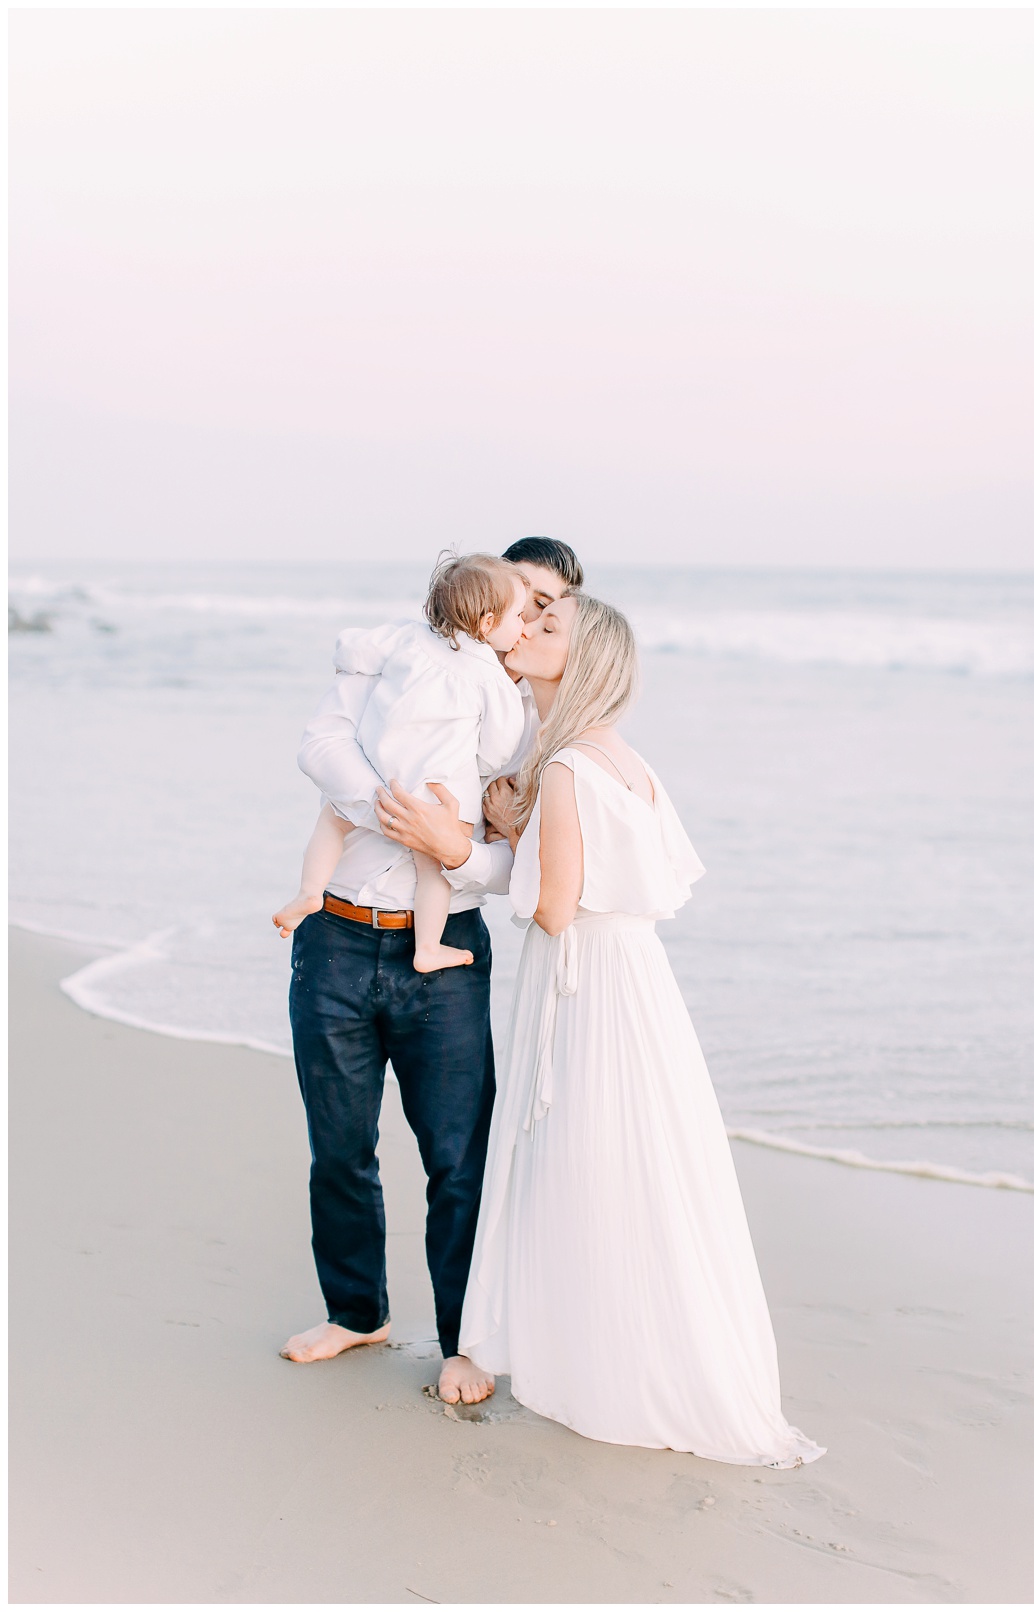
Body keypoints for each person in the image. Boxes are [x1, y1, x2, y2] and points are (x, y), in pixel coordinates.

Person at [377, 594, 825, 1466]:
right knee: (633, 1159)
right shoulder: (628, 763)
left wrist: (495, 837)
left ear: (584, 662)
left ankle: (580, 1348)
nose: (529, 634)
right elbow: (647, 878)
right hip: (635, 981)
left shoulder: (572, 768)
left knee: (579, 1154)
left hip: (583, 982)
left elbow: (551, 907)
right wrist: (525, 826)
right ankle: (598, 1336)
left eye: (549, 630)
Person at [279, 540, 582, 1407]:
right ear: (490, 599)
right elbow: (321, 737)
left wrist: (452, 848)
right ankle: (355, 1312)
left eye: (549, 607)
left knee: (458, 1157)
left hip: (442, 952)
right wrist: (388, 801)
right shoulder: (401, 651)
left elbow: (523, 865)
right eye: (525, 595)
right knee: (338, 1146)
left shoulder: (538, 724)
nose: (531, 616)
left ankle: (464, 1341)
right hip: (335, 935)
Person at [271, 554, 527, 972]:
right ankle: (428, 947)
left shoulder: (409, 637)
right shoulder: (490, 679)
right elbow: (498, 748)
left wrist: (348, 667)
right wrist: (475, 763)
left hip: (380, 769)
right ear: (486, 623)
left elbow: (354, 647)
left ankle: (309, 892)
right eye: (518, 615)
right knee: (433, 870)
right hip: (435, 793)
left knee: (332, 823)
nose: (523, 627)